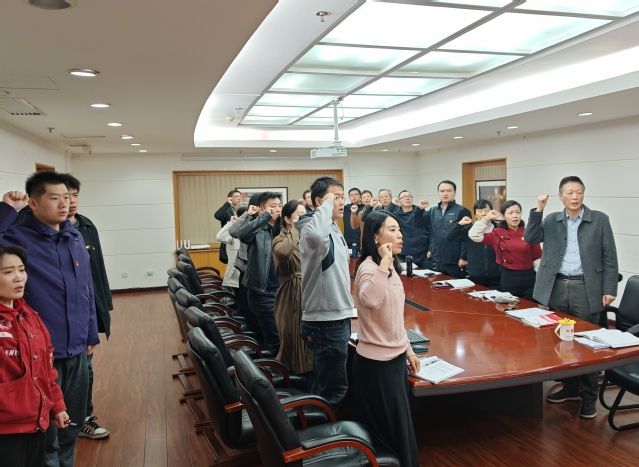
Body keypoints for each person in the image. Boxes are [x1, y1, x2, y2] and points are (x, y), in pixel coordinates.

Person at [1, 172, 99, 467]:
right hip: (41, 355)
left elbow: (86, 288)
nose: (64, 204)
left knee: (72, 422)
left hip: (77, 349)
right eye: (55, 198)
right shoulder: (19, 237)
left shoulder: (74, 236)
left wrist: (91, 332)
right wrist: (7, 210)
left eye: (67, 197)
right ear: (33, 203)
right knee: (46, 434)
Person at [525, 176, 618, 419]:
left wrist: (609, 288)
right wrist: (538, 209)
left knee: (586, 342)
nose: (575, 197)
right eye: (569, 193)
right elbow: (531, 238)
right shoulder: (551, 219)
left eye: (578, 192)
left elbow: (609, 255)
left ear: (583, 194)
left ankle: (589, 397)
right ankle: (570, 387)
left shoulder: (599, 219)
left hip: (586, 287)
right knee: (561, 341)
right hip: (556, 286)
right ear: (561, 196)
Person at [352, 210, 420, 467]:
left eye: (399, 229)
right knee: (390, 434)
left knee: (401, 432)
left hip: (395, 359)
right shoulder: (370, 268)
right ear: (375, 237)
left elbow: (395, 318)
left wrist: (409, 350)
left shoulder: (389, 266)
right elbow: (370, 300)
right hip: (376, 366)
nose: (400, 235)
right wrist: (384, 264)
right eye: (392, 230)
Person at [0, 246, 70, 467]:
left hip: (37, 423)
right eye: (8, 272)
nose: (18, 277)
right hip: (6, 430)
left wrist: (57, 405)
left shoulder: (29, 315)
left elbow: (46, 369)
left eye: (21, 269)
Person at [296, 176, 355, 408]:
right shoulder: (311, 228)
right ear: (320, 202)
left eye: (342, 197)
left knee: (325, 381)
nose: (341, 202)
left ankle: (315, 420)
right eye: (335, 197)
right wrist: (326, 205)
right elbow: (316, 237)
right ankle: (326, 428)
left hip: (335, 315)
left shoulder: (331, 225)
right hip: (326, 321)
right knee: (333, 390)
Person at [62, 173, 112, 441]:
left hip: (86, 311)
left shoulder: (86, 225)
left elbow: (97, 270)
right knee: (71, 375)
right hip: (63, 318)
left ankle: (82, 418)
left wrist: (103, 307)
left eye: (74, 195)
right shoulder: (47, 231)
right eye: (63, 196)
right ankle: (73, 421)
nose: (70, 201)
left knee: (85, 371)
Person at [272, 200, 313, 384]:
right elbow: (284, 254)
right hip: (290, 292)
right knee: (293, 334)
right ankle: (295, 379)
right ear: (288, 219)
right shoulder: (280, 239)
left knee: (308, 337)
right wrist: (296, 229)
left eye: (306, 214)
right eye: (299, 215)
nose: (304, 218)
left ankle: (307, 375)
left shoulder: (307, 238)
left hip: (308, 290)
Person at [237, 192, 282, 355]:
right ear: (262, 210)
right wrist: (263, 217)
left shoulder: (283, 228)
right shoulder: (257, 230)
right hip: (262, 292)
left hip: (281, 290)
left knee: (284, 335)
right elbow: (240, 234)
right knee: (274, 338)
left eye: (279, 206)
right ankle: (272, 368)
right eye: (273, 206)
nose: (278, 209)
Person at [469, 200, 541, 299]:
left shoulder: (528, 232)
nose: (515, 216)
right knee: (509, 305)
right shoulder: (498, 233)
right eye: (510, 213)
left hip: (529, 277)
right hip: (508, 277)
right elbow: (474, 235)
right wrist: (486, 218)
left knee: (529, 305)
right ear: (503, 216)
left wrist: (541, 280)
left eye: (517, 212)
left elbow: (537, 258)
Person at [447, 199, 501, 289]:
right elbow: (449, 237)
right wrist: (459, 224)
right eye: (480, 211)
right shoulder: (469, 229)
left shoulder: (499, 229)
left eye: (486, 210)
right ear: (475, 214)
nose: (483, 214)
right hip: (475, 276)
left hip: (497, 277)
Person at [426, 180, 471, 278]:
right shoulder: (433, 211)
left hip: (455, 261)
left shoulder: (462, 211)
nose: (445, 193)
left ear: (454, 193)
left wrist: (463, 257)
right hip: (437, 259)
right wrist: (431, 249)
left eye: (449, 191)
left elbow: (466, 238)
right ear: (438, 193)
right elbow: (431, 232)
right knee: (437, 285)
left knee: (456, 286)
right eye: (442, 191)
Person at [385, 190, 432, 268]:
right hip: (404, 254)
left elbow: (431, 231)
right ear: (399, 201)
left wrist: (431, 249)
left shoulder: (420, 211)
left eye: (409, 196)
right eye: (404, 197)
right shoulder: (396, 215)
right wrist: (392, 204)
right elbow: (383, 216)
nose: (407, 198)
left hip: (423, 254)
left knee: (427, 274)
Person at [216, 205, 247, 292]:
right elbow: (219, 237)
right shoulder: (234, 232)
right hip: (235, 276)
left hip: (250, 276)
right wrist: (231, 224)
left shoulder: (252, 230)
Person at [214, 189, 242, 264]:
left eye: (240, 197)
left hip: (239, 244)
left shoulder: (241, 210)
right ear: (230, 198)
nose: (239, 198)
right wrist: (227, 203)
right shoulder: (227, 209)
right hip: (229, 243)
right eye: (236, 196)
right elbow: (217, 215)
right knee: (231, 268)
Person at [344, 187, 363, 256]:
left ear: (360, 196)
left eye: (356, 194)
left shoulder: (365, 208)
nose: (354, 196)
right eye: (351, 195)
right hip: (348, 241)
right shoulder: (345, 208)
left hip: (362, 241)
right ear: (349, 197)